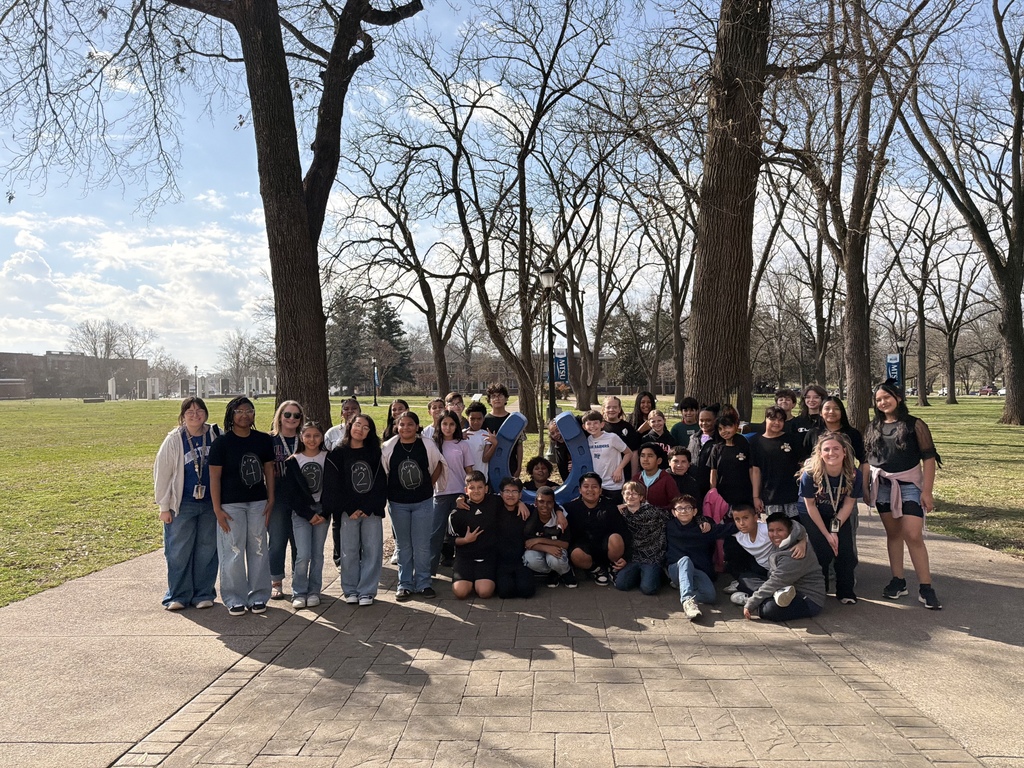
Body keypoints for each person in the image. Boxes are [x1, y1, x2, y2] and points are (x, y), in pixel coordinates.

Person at [865, 380, 943, 609]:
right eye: (878, 400)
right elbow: (867, 461)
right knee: (893, 534)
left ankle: (926, 587)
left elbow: (929, 458)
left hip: (909, 484)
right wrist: (867, 490)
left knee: (913, 534)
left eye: (886, 397)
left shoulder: (914, 425)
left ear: (898, 397)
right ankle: (898, 581)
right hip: (883, 486)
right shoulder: (873, 427)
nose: (883, 402)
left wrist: (927, 491)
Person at [208, 396, 276, 616]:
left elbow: (268, 470)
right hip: (231, 505)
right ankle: (234, 597)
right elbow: (214, 478)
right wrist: (217, 508)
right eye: (239, 411)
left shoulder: (263, 440)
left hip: (258, 502)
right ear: (231, 415)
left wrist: (271, 498)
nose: (244, 415)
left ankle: (258, 596)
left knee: (258, 548)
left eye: (249, 410)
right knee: (233, 550)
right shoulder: (222, 443)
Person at [153, 397, 222, 610]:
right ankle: (178, 595)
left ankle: (203, 593)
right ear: (183, 416)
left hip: (210, 503)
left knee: (207, 549)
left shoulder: (215, 435)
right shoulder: (174, 439)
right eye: (189, 411)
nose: (195, 415)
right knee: (178, 550)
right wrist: (164, 506)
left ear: (206, 413)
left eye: (199, 410)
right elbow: (162, 474)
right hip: (182, 503)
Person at [381, 410, 447, 602]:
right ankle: (405, 584)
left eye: (410, 424)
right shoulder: (388, 447)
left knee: (422, 545)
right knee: (404, 545)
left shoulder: (426, 444)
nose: (406, 428)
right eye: (402, 424)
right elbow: (384, 472)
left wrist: (430, 484)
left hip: (423, 502)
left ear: (417, 427)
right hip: (398, 502)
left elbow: (439, 464)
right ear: (396, 427)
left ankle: (424, 583)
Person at [325, 414, 387, 607]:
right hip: (347, 512)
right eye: (357, 424)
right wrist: (349, 508)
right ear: (350, 426)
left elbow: (380, 483)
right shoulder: (337, 453)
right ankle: (350, 589)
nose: (360, 429)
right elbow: (334, 485)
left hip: (371, 511)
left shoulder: (375, 453)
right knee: (349, 551)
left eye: (366, 427)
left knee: (372, 550)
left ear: (370, 432)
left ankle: (367, 591)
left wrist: (369, 507)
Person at [799, 433, 862, 604]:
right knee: (823, 551)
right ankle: (821, 589)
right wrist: (827, 535)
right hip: (813, 512)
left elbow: (848, 505)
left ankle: (846, 592)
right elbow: (810, 506)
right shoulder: (810, 474)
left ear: (844, 452)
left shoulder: (854, 474)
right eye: (826, 449)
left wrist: (834, 531)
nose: (831, 453)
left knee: (845, 550)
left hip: (838, 513)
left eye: (836, 448)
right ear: (820, 453)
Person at [279, 421, 329, 610]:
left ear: (322, 437)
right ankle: (299, 591)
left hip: (323, 512)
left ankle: (314, 590)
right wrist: (308, 514)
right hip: (301, 514)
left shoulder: (328, 458)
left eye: (316, 435)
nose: (312, 439)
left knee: (317, 554)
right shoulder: (293, 461)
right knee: (303, 554)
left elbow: (333, 489)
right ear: (301, 437)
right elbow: (290, 494)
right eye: (307, 435)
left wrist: (324, 512)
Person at [743, 513, 826, 622]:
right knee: (745, 578)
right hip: (783, 585)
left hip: (807, 599)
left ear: (790, 530)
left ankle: (749, 599)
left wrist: (751, 604)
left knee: (769, 610)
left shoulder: (796, 553)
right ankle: (768, 596)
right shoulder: (795, 538)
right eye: (771, 530)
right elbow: (797, 526)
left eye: (780, 530)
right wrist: (803, 539)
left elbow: (776, 581)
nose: (775, 534)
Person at [563, 472, 629, 586]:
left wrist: (626, 557)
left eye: (594, 487)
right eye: (586, 486)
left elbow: (624, 531)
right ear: (580, 490)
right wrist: (559, 513)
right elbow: (554, 508)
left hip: (605, 545)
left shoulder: (610, 506)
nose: (590, 490)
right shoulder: (571, 508)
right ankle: (597, 570)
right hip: (584, 548)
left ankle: (612, 567)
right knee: (575, 554)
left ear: (600, 490)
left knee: (616, 538)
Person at [268, 400, 303, 600]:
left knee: (300, 541)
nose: (291, 419)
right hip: (277, 496)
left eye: (296, 415)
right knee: (277, 540)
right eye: (287, 414)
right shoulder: (269, 440)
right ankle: (276, 582)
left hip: (300, 497)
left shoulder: (305, 438)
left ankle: (299, 581)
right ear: (280, 417)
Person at [432, 410, 474, 574]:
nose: (447, 428)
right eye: (444, 424)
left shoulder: (462, 444)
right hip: (440, 494)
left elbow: (469, 469)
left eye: (451, 424)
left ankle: (467, 569)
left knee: (462, 532)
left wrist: (470, 491)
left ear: (456, 426)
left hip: (459, 493)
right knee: (436, 534)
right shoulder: (433, 444)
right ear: (439, 425)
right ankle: (428, 571)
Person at [448, 470, 499, 599]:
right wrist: (465, 540)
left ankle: (481, 580)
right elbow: (450, 539)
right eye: (472, 488)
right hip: (465, 558)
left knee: (484, 592)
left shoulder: (495, 503)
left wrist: (520, 504)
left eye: (480, 487)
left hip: (487, 557)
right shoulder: (457, 513)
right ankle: (467, 579)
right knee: (460, 593)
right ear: (466, 490)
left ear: (486, 488)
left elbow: (511, 500)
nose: (476, 491)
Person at [665, 495, 718, 620]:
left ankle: (684, 587)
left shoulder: (701, 526)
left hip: (696, 570)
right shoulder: (668, 525)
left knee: (710, 596)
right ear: (673, 512)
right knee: (685, 560)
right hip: (675, 568)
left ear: (694, 511)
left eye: (688, 508)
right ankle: (687, 601)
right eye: (680, 508)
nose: (683, 511)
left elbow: (720, 529)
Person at [750, 405, 806, 519]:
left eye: (780, 420)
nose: (777, 422)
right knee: (775, 532)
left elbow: (803, 464)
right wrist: (756, 497)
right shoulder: (756, 442)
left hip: (793, 496)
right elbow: (756, 471)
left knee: (795, 531)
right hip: (770, 497)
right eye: (773, 419)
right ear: (766, 419)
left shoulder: (792, 439)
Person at [613, 481, 669, 595]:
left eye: (635, 494)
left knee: (648, 589)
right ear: (623, 495)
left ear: (641, 497)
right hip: (633, 556)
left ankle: (655, 575)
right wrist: (614, 510)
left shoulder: (653, 512)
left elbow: (674, 515)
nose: (631, 496)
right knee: (621, 584)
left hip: (652, 555)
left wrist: (701, 520)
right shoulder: (621, 514)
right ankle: (642, 575)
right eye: (627, 493)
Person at [494, 477, 536, 599]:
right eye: (507, 491)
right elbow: (476, 498)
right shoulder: (494, 508)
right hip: (501, 561)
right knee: (505, 593)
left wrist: (559, 513)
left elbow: (547, 507)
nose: (510, 495)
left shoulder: (527, 510)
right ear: (501, 493)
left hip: (521, 560)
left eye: (514, 491)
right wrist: (461, 499)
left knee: (527, 591)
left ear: (520, 494)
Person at [523, 486, 574, 587]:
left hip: (557, 549)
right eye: (541, 501)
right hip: (539, 549)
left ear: (554, 503)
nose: (545, 505)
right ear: (536, 502)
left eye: (549, 502)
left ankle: (566, 572)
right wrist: (546, 547)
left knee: (554, 559)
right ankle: (552, 572)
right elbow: (527, 543)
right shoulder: (529, 515)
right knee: (530, 558)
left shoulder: (561, 518)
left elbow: (565, 544)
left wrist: (539, 540)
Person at [582, 409, 633, 505]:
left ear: (602, 424)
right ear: (584, 427)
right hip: (596, 485)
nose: (592, 426)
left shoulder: (612, 437)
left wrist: (619, 469)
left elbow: (629, 453)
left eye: (595, 423)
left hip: (613, 484)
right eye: (589, 424)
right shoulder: (587, 441)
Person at [708, 412, 754, 506]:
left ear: (736, 426)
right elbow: (713, 472)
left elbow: (752, 470)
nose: (724, 431)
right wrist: (712, 492)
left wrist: (755, 493)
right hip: (723, 494)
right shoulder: (717, 448)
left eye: (727, 427)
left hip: (743, 493)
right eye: (720, 429)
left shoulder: (745, 445)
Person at [483, 383, 523, 476]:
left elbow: (519, 445)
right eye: (493, 396)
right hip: (490, 464)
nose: (497, 399)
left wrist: (519, 466)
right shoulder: (485, 420)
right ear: (489, 400)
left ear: (506, 398)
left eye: (500, 395)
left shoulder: (513, 420)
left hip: (510, 462)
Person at [602, 396, 642, 475]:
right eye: (608, 407)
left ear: (619, 409)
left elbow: (634, 452)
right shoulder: (599, 427)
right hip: (603, 472)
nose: (611, 410)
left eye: (615, 407)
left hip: (624, 472)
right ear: (603, 409)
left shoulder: (627, 427)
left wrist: (633, 475)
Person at [686, 405, 720, 496]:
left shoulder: (719, 441)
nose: (704, 423)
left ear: (715, 420)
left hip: (711, 487)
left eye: (708, 420)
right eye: (701, 420)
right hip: (692, 486)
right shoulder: (693, 438)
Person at [633, 443, 677, 510]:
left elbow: (675, 503)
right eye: (642, 456)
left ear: (659, 461)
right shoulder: (636, 478)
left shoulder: (666, 479)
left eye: (650, 456)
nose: (645, 459)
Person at [463, 402, 498, 481]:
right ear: (468, 418)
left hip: (480, 477)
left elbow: (485, 459)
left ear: (483, 419)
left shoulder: (485, 435)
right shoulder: (461, 434)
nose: (476, 422)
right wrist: (458, 438)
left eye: (479, 419)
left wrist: (494, 444)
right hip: (462, 477)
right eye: (472, 419)